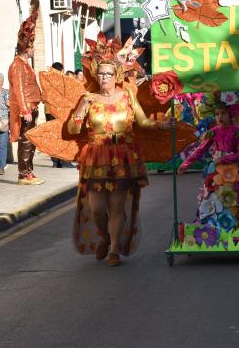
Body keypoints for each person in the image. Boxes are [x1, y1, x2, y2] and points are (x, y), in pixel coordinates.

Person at [67, 59, 176, 266]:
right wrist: (82, 109)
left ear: (116, 76)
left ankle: (114, 249)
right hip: (96, 158)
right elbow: (73, 130)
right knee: (96, 207)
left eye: (108, 74)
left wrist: (161, 125)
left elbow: (142, 122)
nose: (104, 78)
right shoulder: (88, 98)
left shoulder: (127, 96)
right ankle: (105, 237)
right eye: (100, 74)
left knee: (117, 206)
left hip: (122, 157)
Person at [178, 92, 239, 231]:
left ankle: (236, 228)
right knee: (213, 198)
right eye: (217, 114)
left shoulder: (238, 132)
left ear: (230, 114)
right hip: (216, 172)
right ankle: (214, 228)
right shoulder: (214, 132)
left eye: (223, 113)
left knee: (233, 199)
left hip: (233, 173)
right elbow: (201, 149)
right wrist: (185, 164)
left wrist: (224, 158)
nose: (220, 117)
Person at [8, 6, 44, 185]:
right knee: (25, 142)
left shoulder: (24, 64)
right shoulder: (17, 65)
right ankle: (24, 174)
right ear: (26, 48)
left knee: (31, 141)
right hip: (26, 109)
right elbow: (19, 89)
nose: (34, 50)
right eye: (33, 46)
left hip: (32, 107)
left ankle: (29, 171)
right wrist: (24, 109)